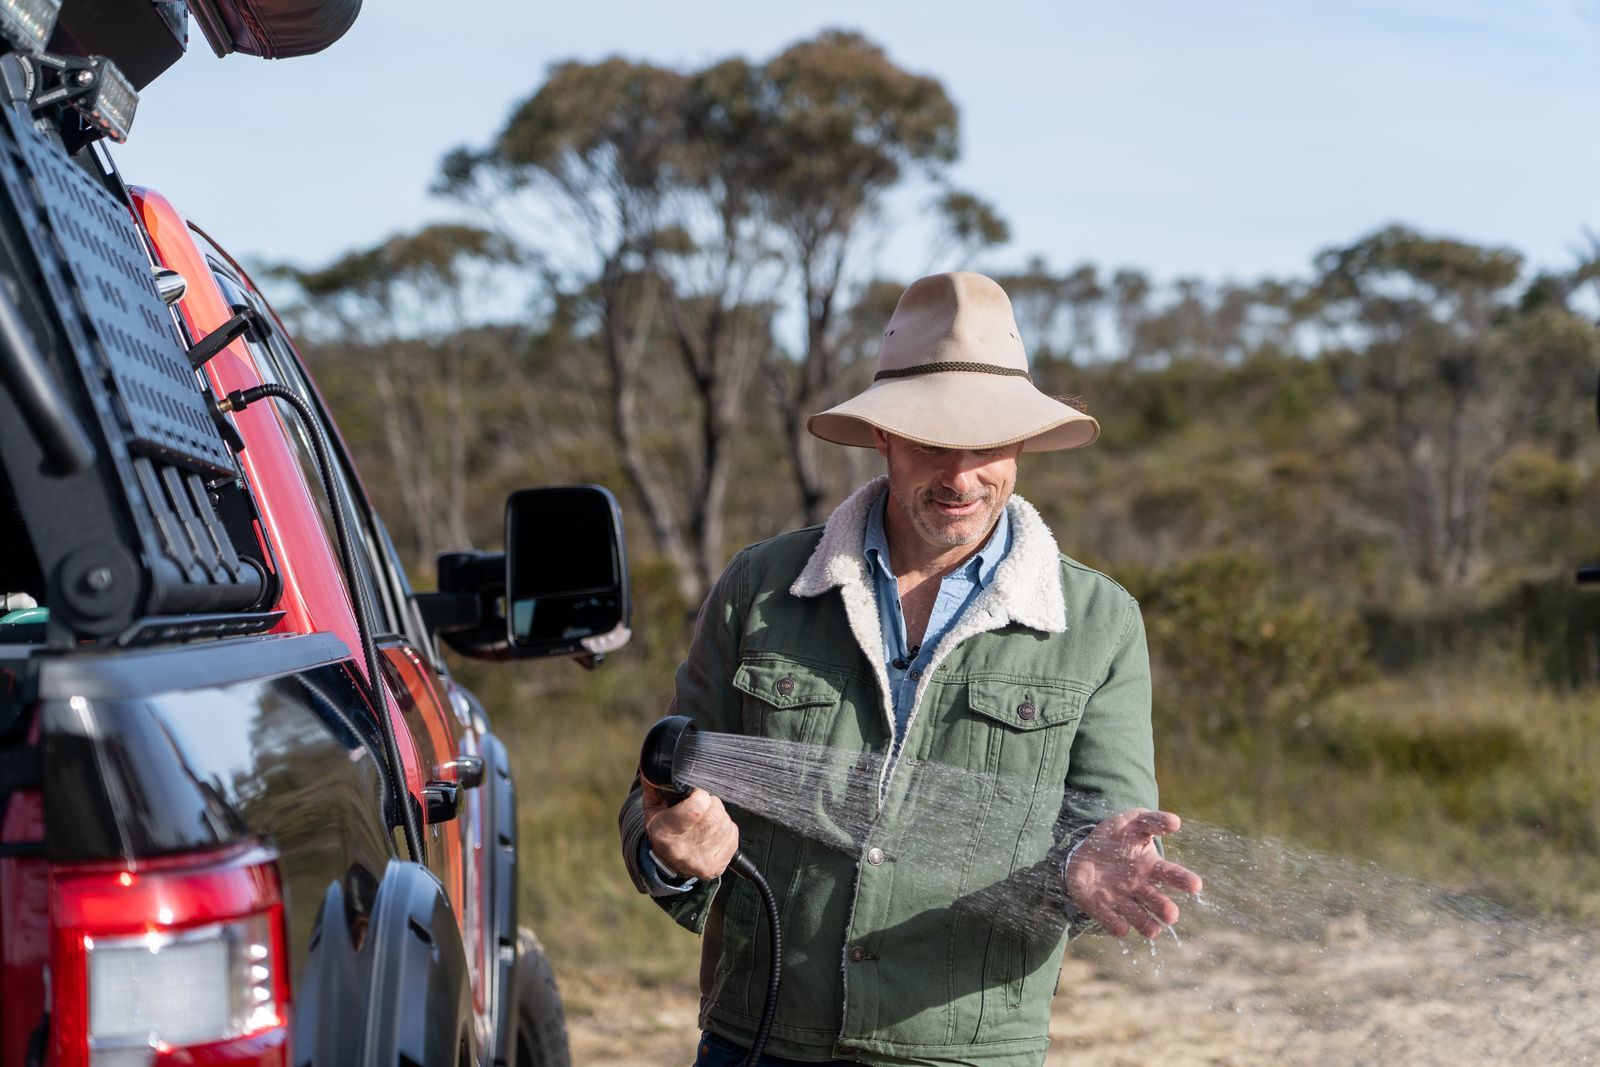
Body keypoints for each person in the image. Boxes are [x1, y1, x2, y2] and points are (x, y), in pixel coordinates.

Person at [619, 271, 1203, 1067]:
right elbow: (657, 796)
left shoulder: (1099, 622)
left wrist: (1082, 870)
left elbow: (1106, 834)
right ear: (885, 436)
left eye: (988, 444)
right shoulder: (760, 588)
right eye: (932, 441)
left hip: (968, 1051)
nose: (961, 477)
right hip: (760, 1039)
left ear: (1024, 443)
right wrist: (668, 848)